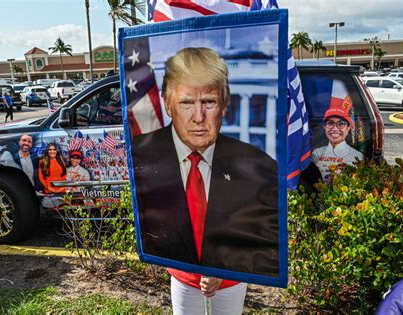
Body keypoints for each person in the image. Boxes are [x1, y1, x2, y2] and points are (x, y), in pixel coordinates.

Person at [131, 47, 278, 313]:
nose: (198, 117)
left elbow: (256, 228)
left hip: (231, 279)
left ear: (224, 105)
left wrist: (224, 266)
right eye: (186, 103)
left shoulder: (256, 163)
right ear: (168, 104)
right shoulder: (147, 158)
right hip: (183, 277)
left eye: (208, 102)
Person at [312, 105, 364, 181]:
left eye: (341, 124)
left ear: (349, 128)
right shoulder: (316, 153)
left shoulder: (358, 157)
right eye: (330, 123)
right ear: (324, 127)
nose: (335, 129)